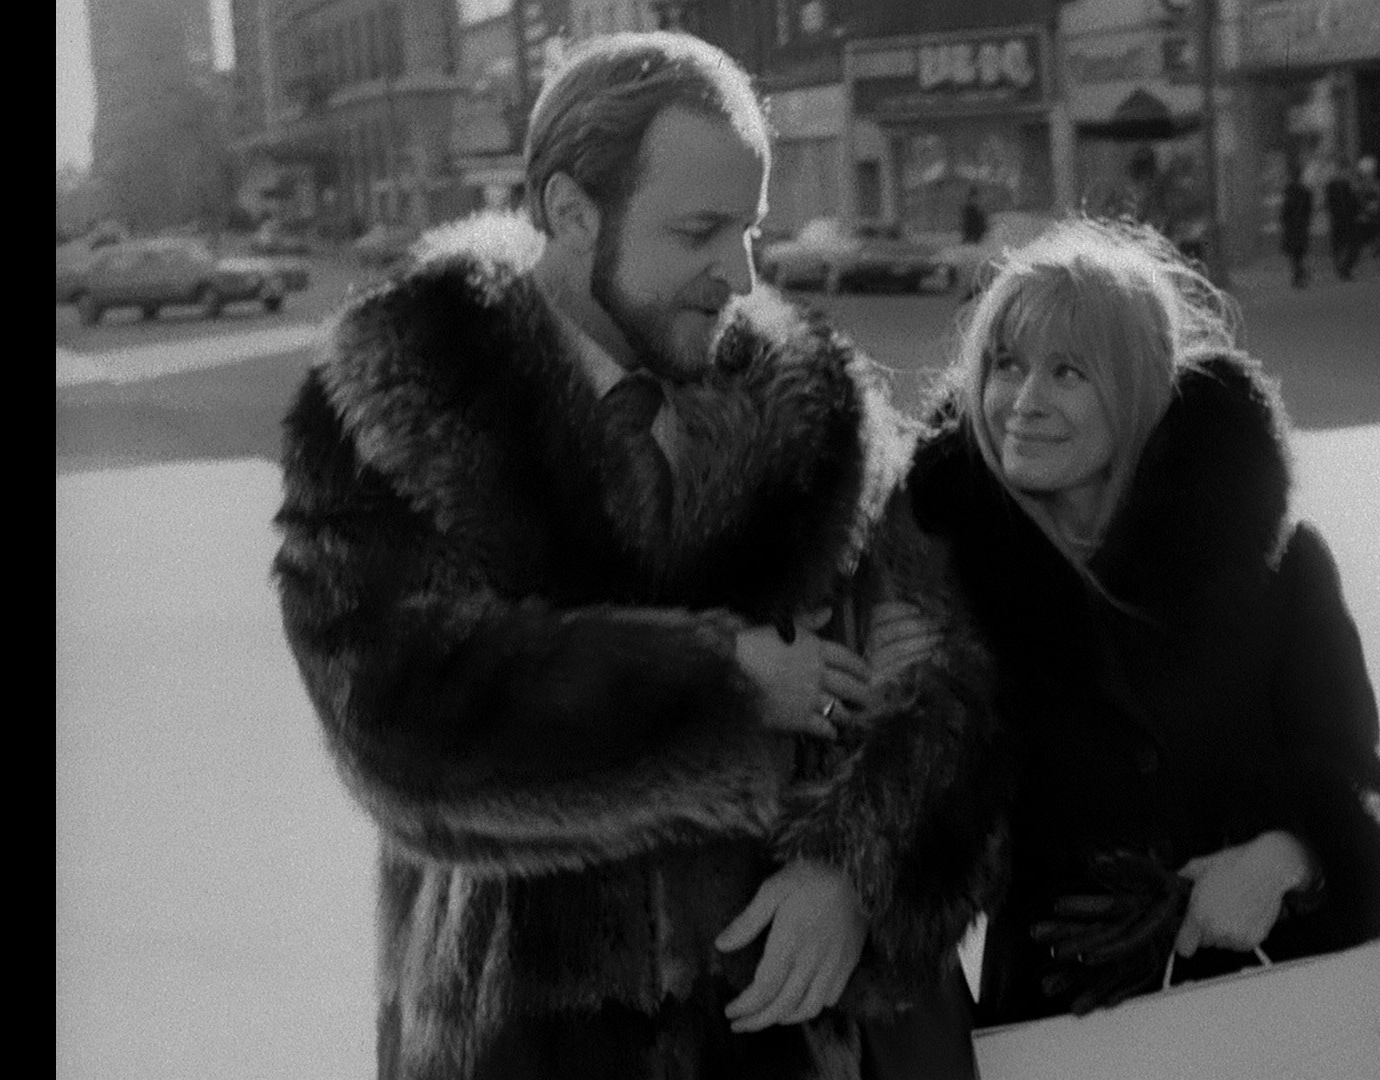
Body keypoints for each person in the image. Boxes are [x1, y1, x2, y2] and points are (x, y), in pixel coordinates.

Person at [271, 31, 1003, 1078]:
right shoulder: (399, 398)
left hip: (776, 1044)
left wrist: (856, 873)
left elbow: (948, 681)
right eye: (699, 231)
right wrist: (726, 684)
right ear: (571, 212)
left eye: (749, 230)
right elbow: (395, 717)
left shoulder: (815, 413)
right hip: (520, 1047)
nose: (739, 275)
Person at [905, 217, 1380, 1027]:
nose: (1022, 403)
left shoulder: (1276, 569)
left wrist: (1286, 857)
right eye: (1006, 364)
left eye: (1068, 372)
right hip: (1057, 1025)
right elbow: (919, 844)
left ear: (1139, 388)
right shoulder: (942, 578)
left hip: (1265, 1018)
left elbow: (1361, 786)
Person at [1323, 158, 1363, 281]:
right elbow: (1332, 203)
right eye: (1344, 170)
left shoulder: (1343, 185)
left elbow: (1354, 202)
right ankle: (1343, 270)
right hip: (1342, 220)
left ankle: (1343, 269)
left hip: (1345, 220)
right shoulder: (1336, 186)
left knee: (1349, 246)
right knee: (1345, 245)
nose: (1345, 173)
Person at [1279, 168, 1314, 288]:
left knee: (1295, 254)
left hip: (1291, 227)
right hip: (1301, 226)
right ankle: (1299, 275)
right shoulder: (1306, 192)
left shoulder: (1289, 191)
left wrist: (1284, 221)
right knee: (1299, 253)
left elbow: (1285, 209)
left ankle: (1298, 276)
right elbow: (1309, 209)